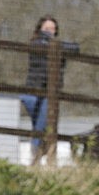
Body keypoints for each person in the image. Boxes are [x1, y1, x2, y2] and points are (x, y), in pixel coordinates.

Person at [20, 16, 79, 162]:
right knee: (40, 126)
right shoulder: (35, 44)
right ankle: (39, 154)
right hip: (32, 92)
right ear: (39, 29)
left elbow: (76, 48)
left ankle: (37, 156)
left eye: (53, 29)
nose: (50, 32)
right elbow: (46, 46)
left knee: (41, 126)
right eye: (46, 29)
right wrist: (57, 45)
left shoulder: (57, 45)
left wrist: (57, 45)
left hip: (49, 94)